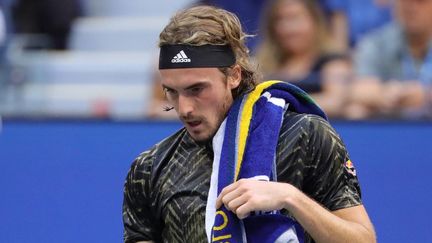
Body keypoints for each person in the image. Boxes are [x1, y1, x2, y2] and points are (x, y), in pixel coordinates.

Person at [123, 5, 375, 243]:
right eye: (172, 92)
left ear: (233, 76)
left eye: (197, 89)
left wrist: (290, 197)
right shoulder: (149, 168)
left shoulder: (306, 135)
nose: (184, 108)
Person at [255, 0, 352, 118]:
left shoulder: (332, 60)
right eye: (280, 20)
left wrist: (281, 106)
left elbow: (335, 101)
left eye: (295, 18)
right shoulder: (263, 64)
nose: (288, 28)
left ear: (315, 21)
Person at [350, 0, 432, 119]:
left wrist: (426, 96)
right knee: (356, 110)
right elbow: (358, 90)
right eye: (405, 2)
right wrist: (384, 93)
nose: (412, 8)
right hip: (392, 122)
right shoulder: (376, 43)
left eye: (420, 2)